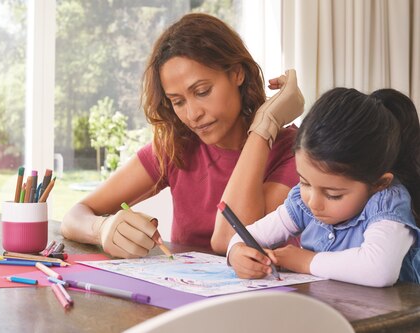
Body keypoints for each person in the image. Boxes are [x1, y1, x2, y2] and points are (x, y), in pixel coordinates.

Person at [61, 13, 304, 258]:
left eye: (202, 91)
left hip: (271, 294)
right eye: (177, 101)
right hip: (186, 292)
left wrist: (264, 129)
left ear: (237, 74)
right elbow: (75, 216)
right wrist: (102, 229)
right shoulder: (178, 146)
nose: (192, 114)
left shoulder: (293, 151)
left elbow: (230, 239)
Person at [227, 87, 420, 287]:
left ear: (379, 184)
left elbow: (379, 270)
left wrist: (305, 260)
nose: (313, 202)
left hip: (389, 316)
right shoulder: (304, 201)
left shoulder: (387, 202)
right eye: (305, 182)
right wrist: (238, 253)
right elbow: (247, 236)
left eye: (333, 195)